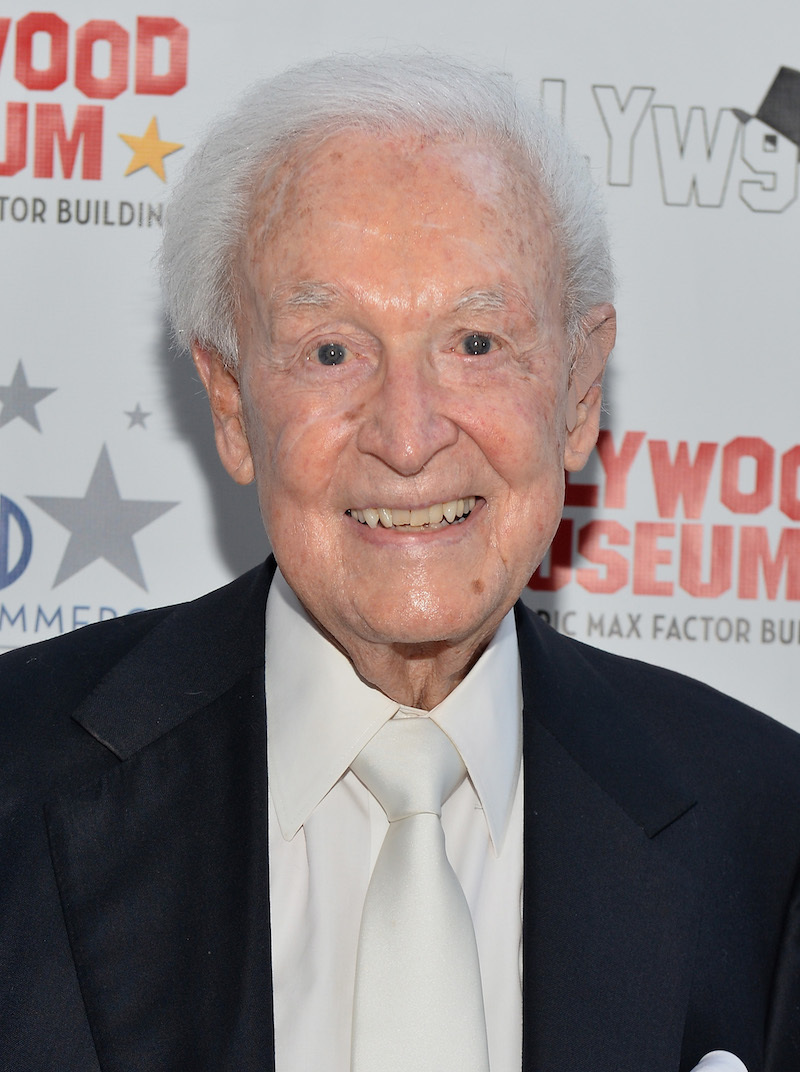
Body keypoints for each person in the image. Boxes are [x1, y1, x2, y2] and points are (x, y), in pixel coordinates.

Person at [1, 53, 798, 1072]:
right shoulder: (16, 779)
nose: (409, 434)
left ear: (578, 391)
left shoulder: (766, 833)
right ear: (232, 405)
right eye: (331, 351)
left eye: (474, 340)